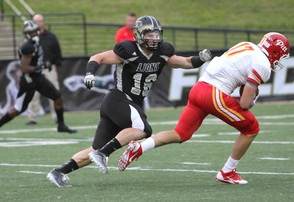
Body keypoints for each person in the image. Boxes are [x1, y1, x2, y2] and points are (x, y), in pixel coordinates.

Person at [46, 15, 212, 187]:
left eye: (156, 35)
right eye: (150, 35)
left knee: (95, 149)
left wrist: (201, 58)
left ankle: (59, 172)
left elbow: (184, 62)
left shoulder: (163, 52)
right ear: (139, 35)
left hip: (125, 106)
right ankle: (103, 154)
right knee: (143, 129)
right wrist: (90, 73)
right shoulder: (128, 50)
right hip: (119, 99)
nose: (154, 39)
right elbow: (98, 57)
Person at [118, 32, 290, 185]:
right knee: (251, 129)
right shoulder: (263, 65)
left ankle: (140, 148)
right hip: (215, 94)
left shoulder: (247, 45)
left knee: (181, 133)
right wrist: (251, 100)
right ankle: (227, 172)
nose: (280, 59)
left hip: (199, 88)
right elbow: (245, 104)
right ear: (275, 52)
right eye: (281, 55)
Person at [0, 20, 77, 134]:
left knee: (58, 97)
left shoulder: (36, 43)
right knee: (18, 109)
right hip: (29, 81)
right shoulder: (28, 47)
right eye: (31, 33)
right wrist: (41, 66)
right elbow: (24, 68)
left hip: (39, 78)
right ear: (26, 34)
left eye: (35, 31)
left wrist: (41, 66)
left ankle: (61, 125)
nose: (34, 34)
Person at [26, 14, 62, 125]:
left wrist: (55, 64)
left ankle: (57, 116)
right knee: (33, 94)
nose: (37, 23)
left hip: (48, 69)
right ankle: (32, 117)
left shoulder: (50, 36)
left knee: (54, 92)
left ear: (43, 22)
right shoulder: (29, 38)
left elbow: (57, 52)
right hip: (34, 70)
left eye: (39, 21)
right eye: (35, 21)